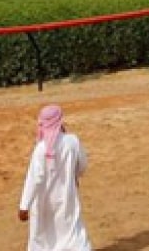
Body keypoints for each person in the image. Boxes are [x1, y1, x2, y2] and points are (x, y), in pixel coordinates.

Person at [17, 105, 92, 251]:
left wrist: (24, 206)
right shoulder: (72, 141)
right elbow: (82, 165)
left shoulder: (40, 149)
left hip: (44, 202)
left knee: (43, 238)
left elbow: (34, 179)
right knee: (71, 231)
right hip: (67, 197)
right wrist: (75, 176)